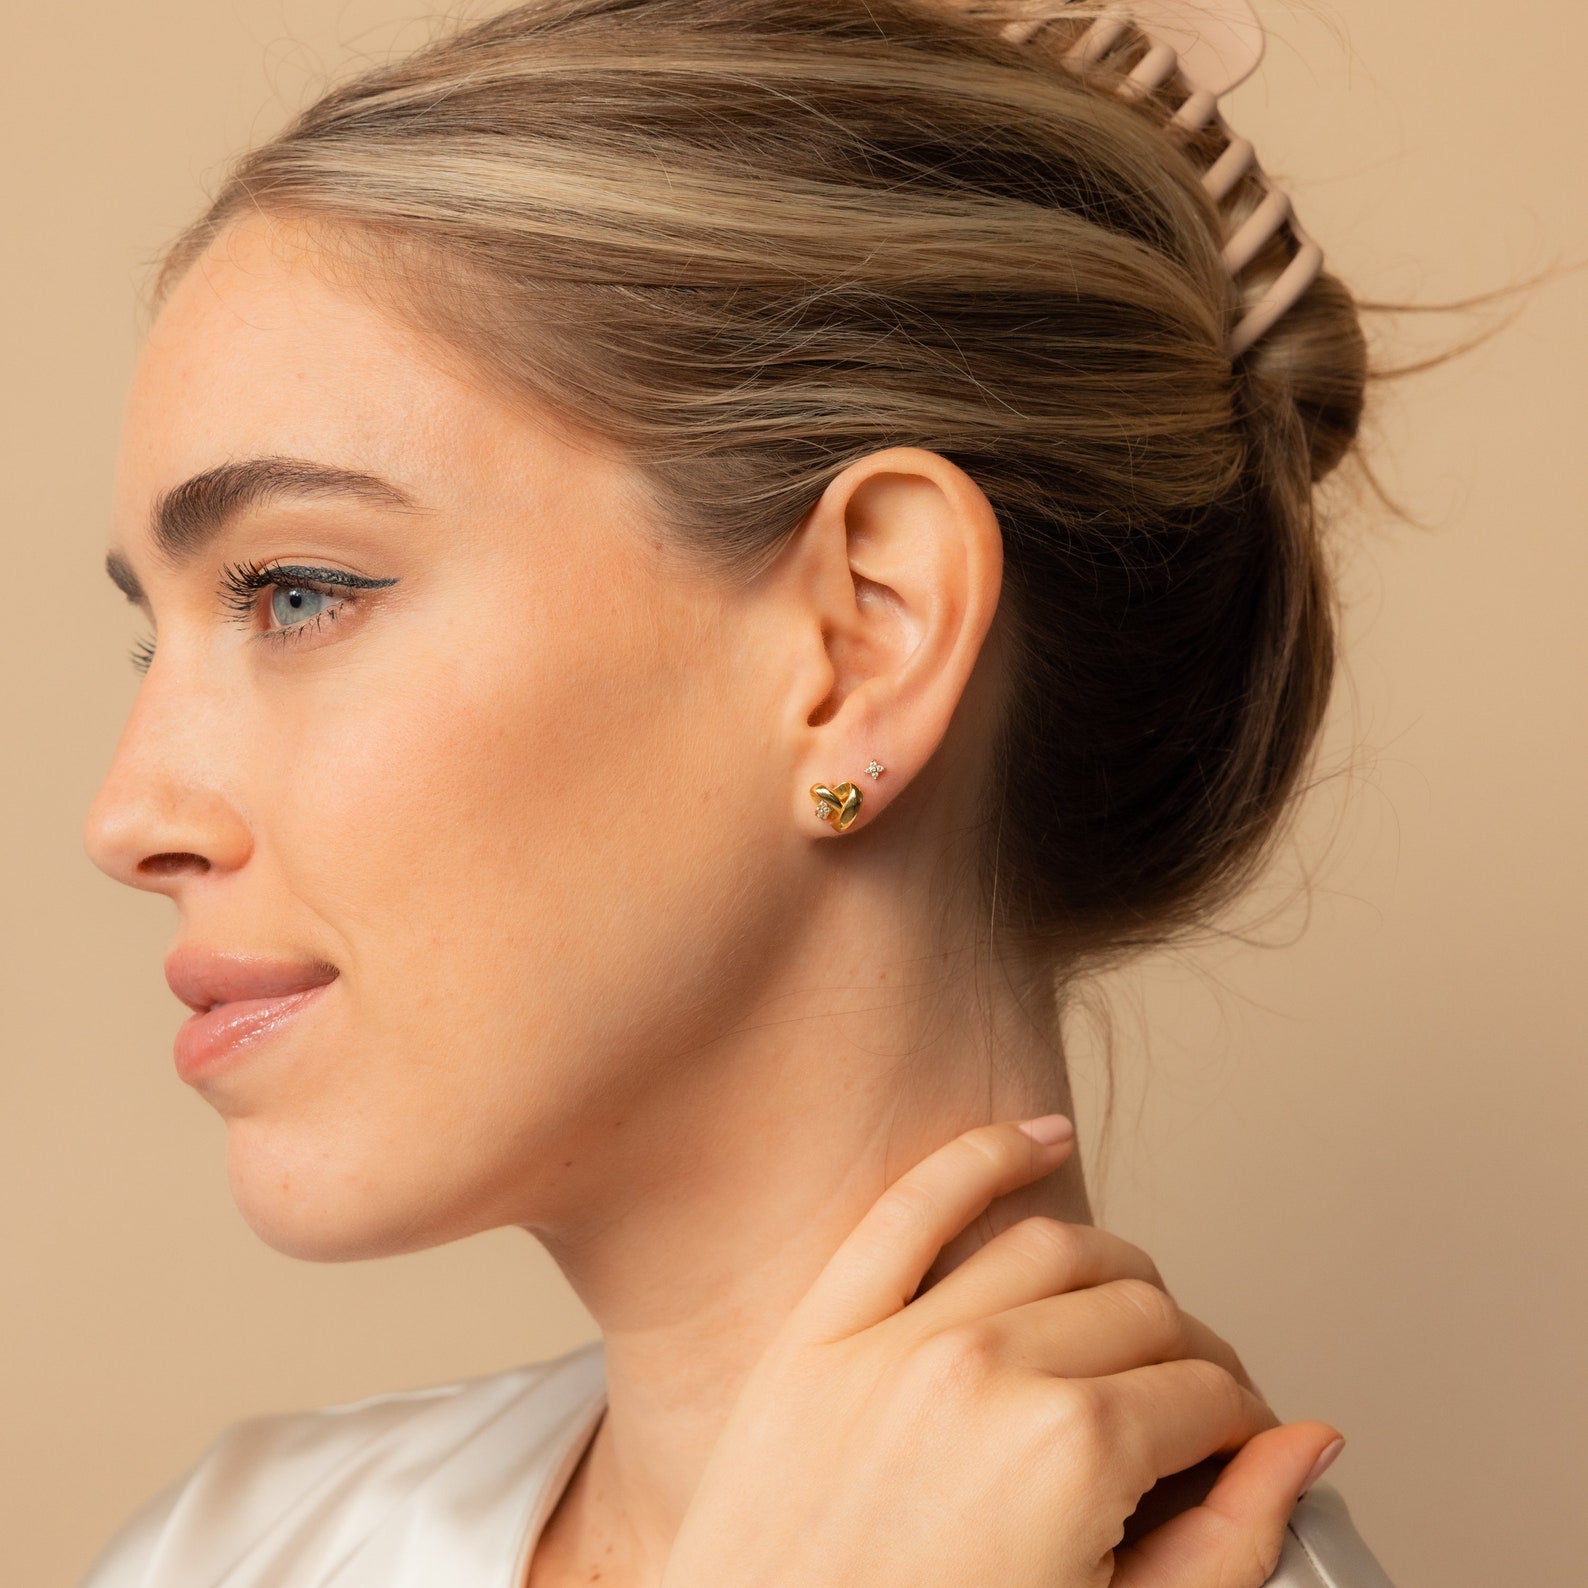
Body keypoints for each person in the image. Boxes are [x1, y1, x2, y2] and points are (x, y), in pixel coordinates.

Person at [77, 2, 1403, 1583]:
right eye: (151, 635)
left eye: (297, 592)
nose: (128, 815)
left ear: (864, 642)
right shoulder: (234, 1548)